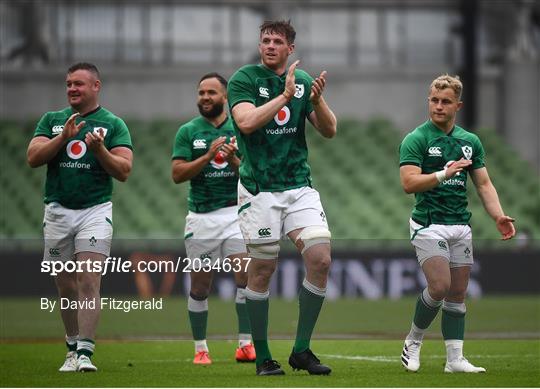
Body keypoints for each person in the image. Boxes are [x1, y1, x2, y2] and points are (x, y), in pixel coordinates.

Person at [228, 20, 337, 376]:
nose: (270, 45)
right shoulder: (244, 79)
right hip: (259, 189)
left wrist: (316, 102)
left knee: (320, 259)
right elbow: (245, 123)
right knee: (262, 270)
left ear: (290, 48)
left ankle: (302, 350)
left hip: (298, 185)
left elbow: (329, 130)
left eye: (277, 41)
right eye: (265, 40)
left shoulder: (303, 83)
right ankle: (262, 357)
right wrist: (286, 97)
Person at [398, 74, 515, 373]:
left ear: (457, 105)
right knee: (439, 287)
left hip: (460, 225)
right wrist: (442, 175)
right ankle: (413, 341)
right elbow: (409, 183)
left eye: (445, 102)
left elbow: (485, 185)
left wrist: (498, 215)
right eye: (434, 100)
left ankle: (455, 360)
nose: (438, 106)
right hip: (428, 224)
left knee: (457, 294)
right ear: (429, 101)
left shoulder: (469, 142)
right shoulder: (416, 139)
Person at [27, 62, 133, 372]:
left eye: (79, 84)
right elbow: (33, 158)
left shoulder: (113, 124)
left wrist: (99, 150)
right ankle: (71, 347)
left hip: (95, 210)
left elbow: (124, 171)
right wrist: (63, 138)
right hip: (58, 211)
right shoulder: (53, 120)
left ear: (96, 86)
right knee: (66, 287)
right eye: (69, 83)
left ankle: (85, 353)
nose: (72, 88)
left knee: (89, 279)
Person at [171, 73, 256, 365]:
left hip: (236, 213)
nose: (205, 97)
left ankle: (245, 344)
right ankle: (200, 348)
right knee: (200, 286)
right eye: (201, 93)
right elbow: (177, 174)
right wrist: (208, 157)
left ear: (225, 97)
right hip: (201, 216)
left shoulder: (241, 127)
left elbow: (253, 173)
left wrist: (233, 160)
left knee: (245, 277)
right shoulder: (188, 131)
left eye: (211, 92)